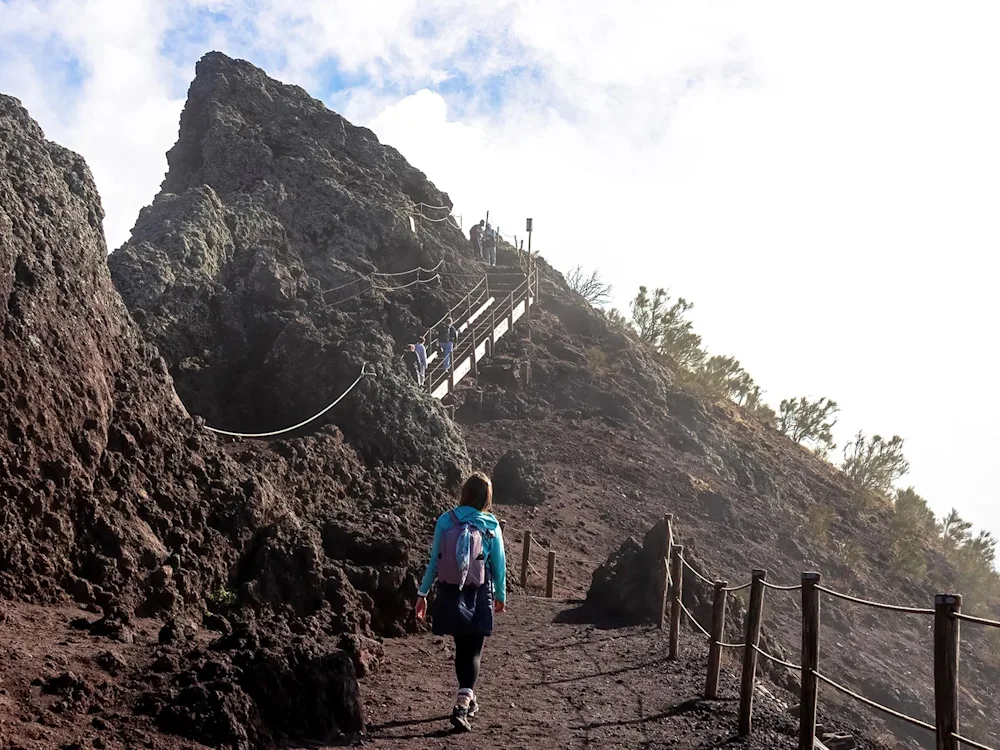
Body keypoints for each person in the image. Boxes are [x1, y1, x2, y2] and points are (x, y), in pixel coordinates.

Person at [416, 472, 506, 733]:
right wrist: (500, 595)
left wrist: (422, 594)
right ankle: (463, 703)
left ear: (464, 492)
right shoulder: (490, 524)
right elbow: (499, 566)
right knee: (474, 650)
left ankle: (469, 697)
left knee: (461, 648)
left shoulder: (446, 519)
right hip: (479, 591)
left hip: (450, 590)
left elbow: (434, 560)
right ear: (487, 497)